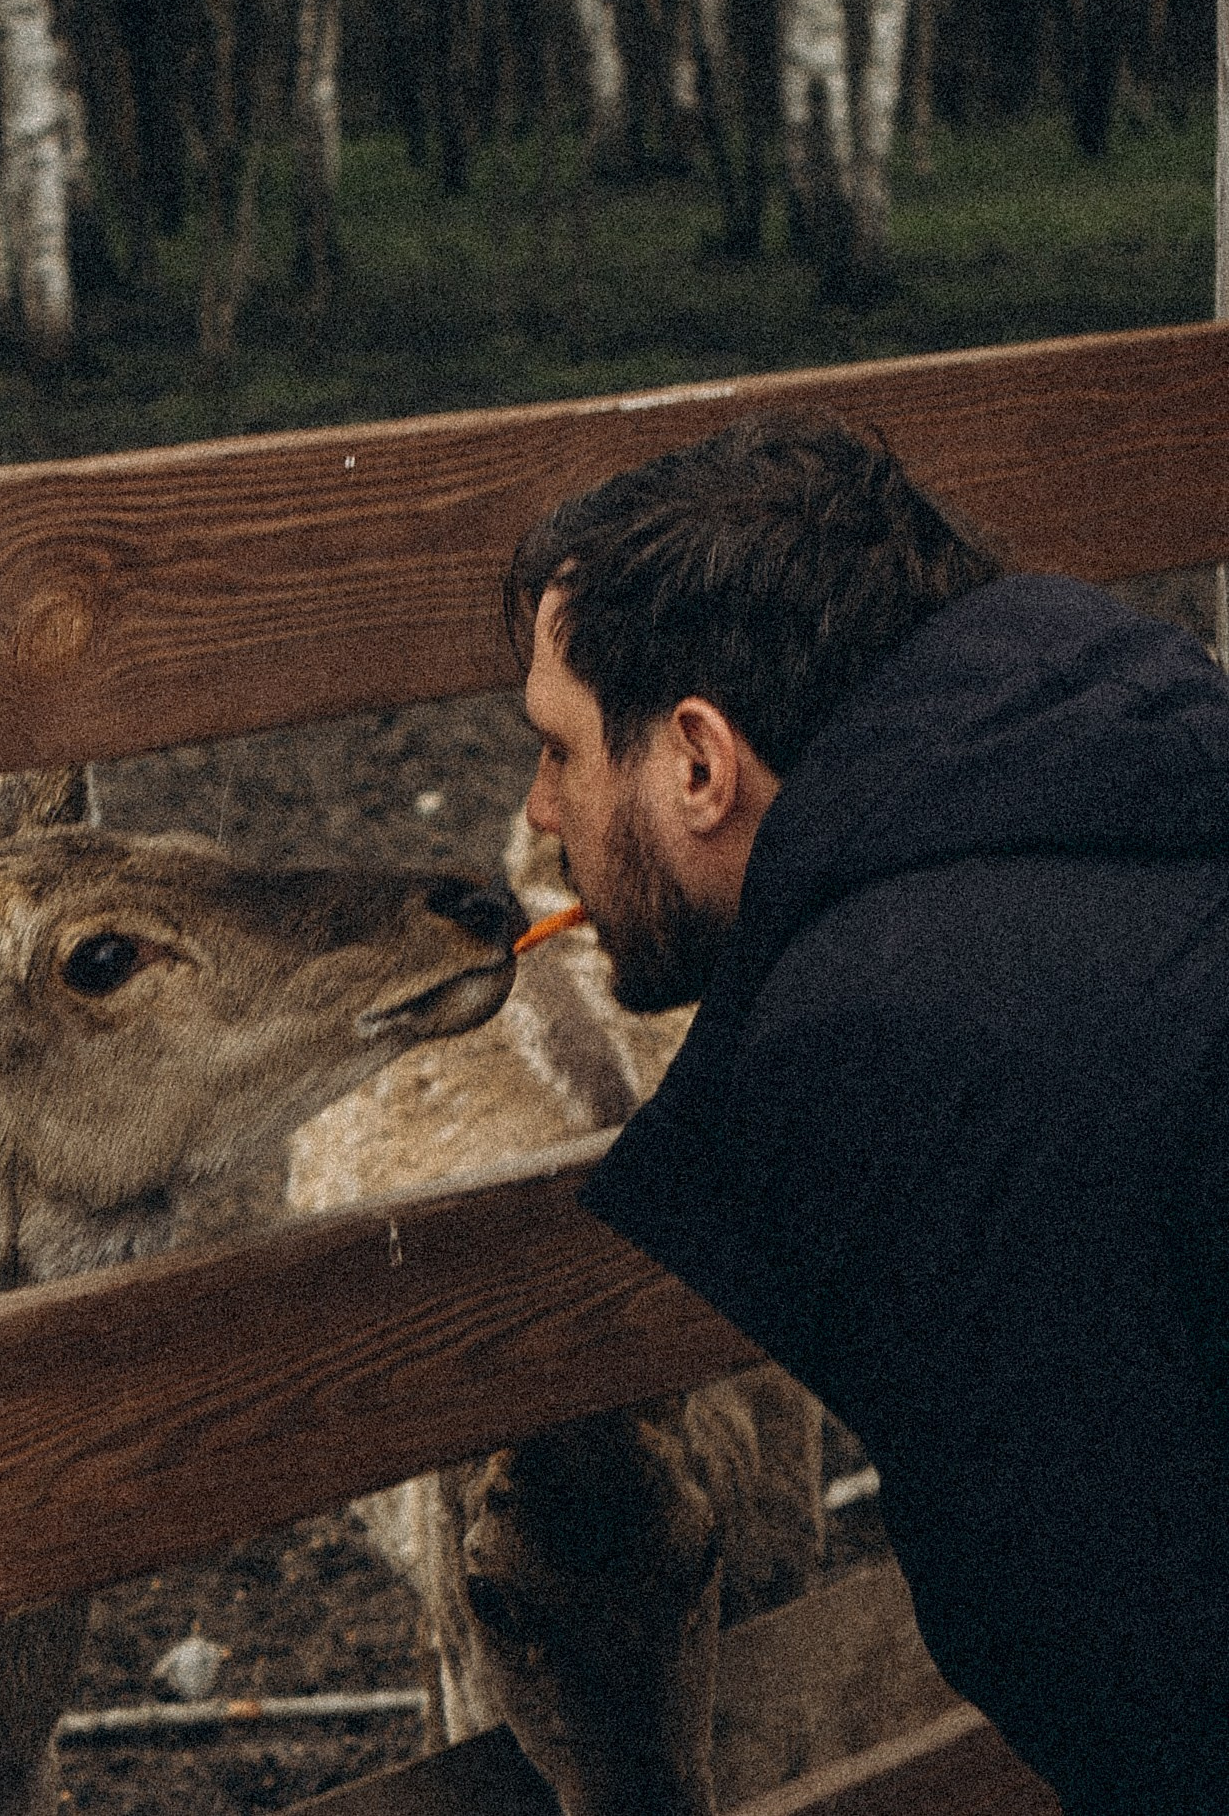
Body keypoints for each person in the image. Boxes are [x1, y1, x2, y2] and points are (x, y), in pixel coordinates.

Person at [507, 414, 1229, 1816]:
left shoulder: (894, 1039)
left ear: (698, 764)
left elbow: (1132, 1669)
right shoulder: (1134, 800)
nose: (540, 813)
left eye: (559, 748)